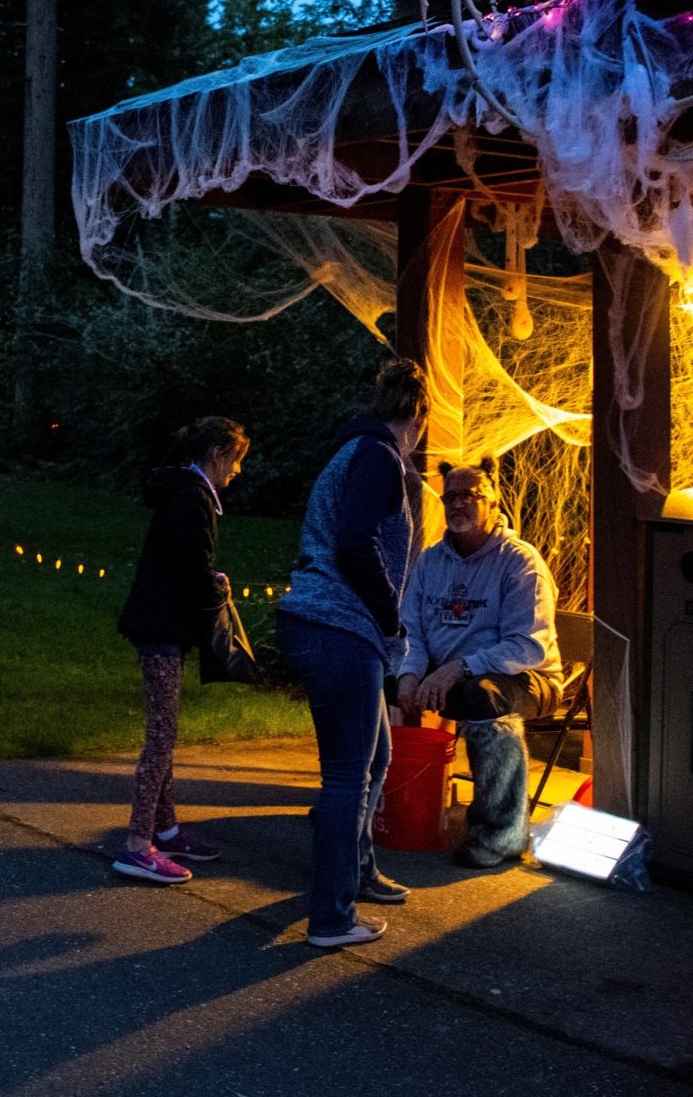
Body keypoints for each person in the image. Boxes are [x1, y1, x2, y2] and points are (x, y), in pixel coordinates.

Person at [272, 358, 425, 948]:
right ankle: (332, 918)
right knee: (345, 778)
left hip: (322, 624)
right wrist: (389, 615)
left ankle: (357, 872)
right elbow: (357, 542)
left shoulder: (353, 450)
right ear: (417, 416)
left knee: (377, 756)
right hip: (340, 627)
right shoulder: (377, 456)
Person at [394, 462, 563, 869]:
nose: (458, 504)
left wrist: (458, 668)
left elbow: (528, 646)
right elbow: (410, 629)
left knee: (483, 697)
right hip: (448, 675)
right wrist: (409, 673)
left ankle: (501, 833)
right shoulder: (431, 561)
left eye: (470, 495)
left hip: (524, 678)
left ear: (493, 502)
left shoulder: (519, 562)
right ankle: (385, 803)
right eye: (450, 496)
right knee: (380, 680)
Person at [110, 416, 250, 885]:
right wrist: (216, 588)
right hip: (160, 627)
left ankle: (165, 829)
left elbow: (184, 563)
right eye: (236, 460)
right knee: (161, 736)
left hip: (160, 624)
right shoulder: (192, 498)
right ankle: (137, 845)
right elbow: (193, 568)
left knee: (164, 730)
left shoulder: (183, 491)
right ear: (217, 455)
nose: (237, 471)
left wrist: (207, 580)